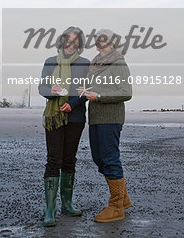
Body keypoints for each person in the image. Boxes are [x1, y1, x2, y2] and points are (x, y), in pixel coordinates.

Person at [38, 26, 89, 227]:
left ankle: (67, 203)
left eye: (75, 41)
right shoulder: (50, 61)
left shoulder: (85, 63)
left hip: (75, 116)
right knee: (53, 159)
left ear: (79, 43)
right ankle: (50, 208)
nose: (71, 44)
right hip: (54, 116)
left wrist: (73, 103)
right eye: (68, 40)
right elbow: (41, 86)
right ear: (62, 41)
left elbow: (86, 90)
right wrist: (51, 90)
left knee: (69, 160)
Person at [82, 28, 132, 223]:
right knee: (99, 159)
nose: (98, 42)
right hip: (95, 117)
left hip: (111, 118)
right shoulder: (95, 63)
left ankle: (116, 206)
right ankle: (124, 198)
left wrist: (100, 97)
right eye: (97, 39)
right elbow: (91, 88)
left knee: (110, 159)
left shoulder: (118, 62)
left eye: (103, 40)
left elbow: (126, 91)